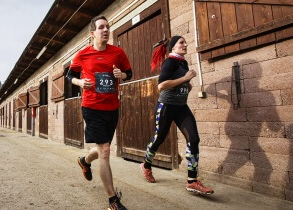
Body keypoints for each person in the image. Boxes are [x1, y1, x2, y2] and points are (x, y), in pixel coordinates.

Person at [68, 15, 132, 210]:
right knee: (105, 151)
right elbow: (70, 74)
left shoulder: (118, 53)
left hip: (112, 107)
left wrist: (123, 75)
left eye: (108, 26)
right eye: (101, 27)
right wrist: (80, 82)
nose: (106, 30)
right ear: (93, 33)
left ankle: (84, 161)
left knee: (104, 148)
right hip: (91, 107)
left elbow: (129, 73)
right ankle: (113, 200)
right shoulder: (83, 54)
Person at [140, 36, 214, 195]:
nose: (185, 44)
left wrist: (187, 85)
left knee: (193, 139)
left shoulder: (183, 62)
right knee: (159, 139)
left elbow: (181, 82)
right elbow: (161, 85)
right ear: (173, 47)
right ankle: (146, 165)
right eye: (181, 43)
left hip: (181, 106)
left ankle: (192, 181)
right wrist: (185, 78)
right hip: (166, 106)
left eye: (186, 42)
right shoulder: (170, 62)